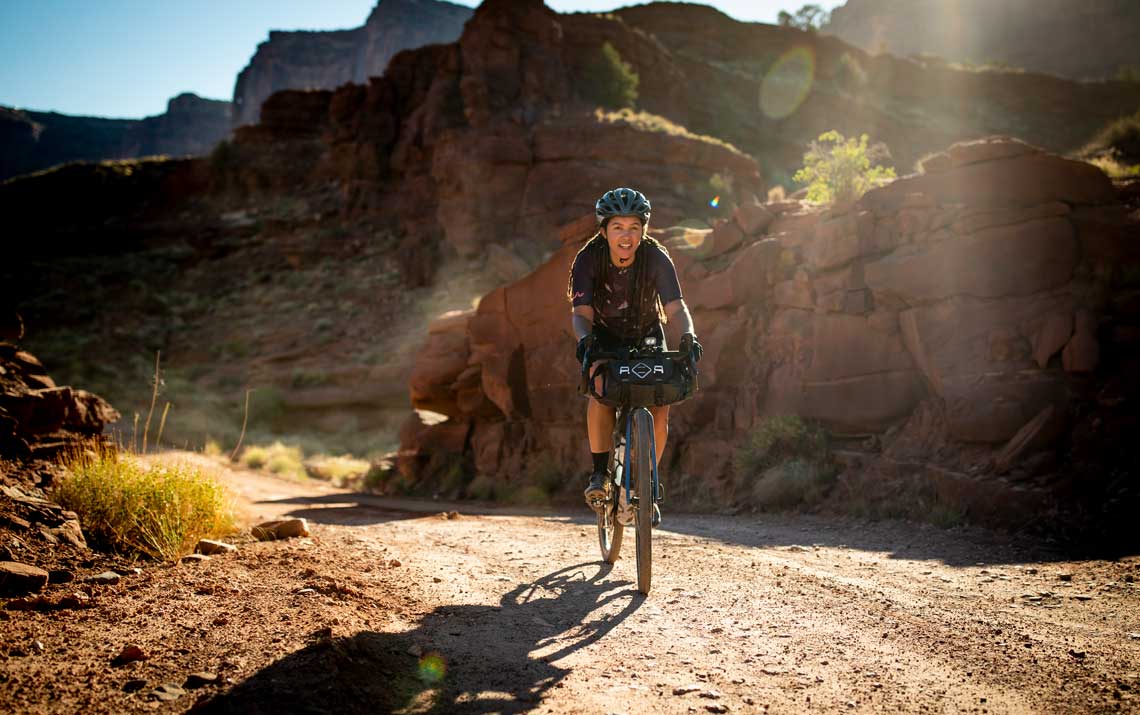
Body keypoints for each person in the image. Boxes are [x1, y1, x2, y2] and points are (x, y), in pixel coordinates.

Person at [567, 187, 703, 522]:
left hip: (647, 333)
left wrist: (688, 335)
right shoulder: (589, 258)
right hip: (604, 335)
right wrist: (586, 342)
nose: (626, 236)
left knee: (660, 403)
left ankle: (645, 486)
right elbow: (581, 313)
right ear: (604, 231)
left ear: (644, 230)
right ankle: (599, 474)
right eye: (618, 228)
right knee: (599, 391)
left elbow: (675, 306)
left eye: (633, 228)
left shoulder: (656, 256)